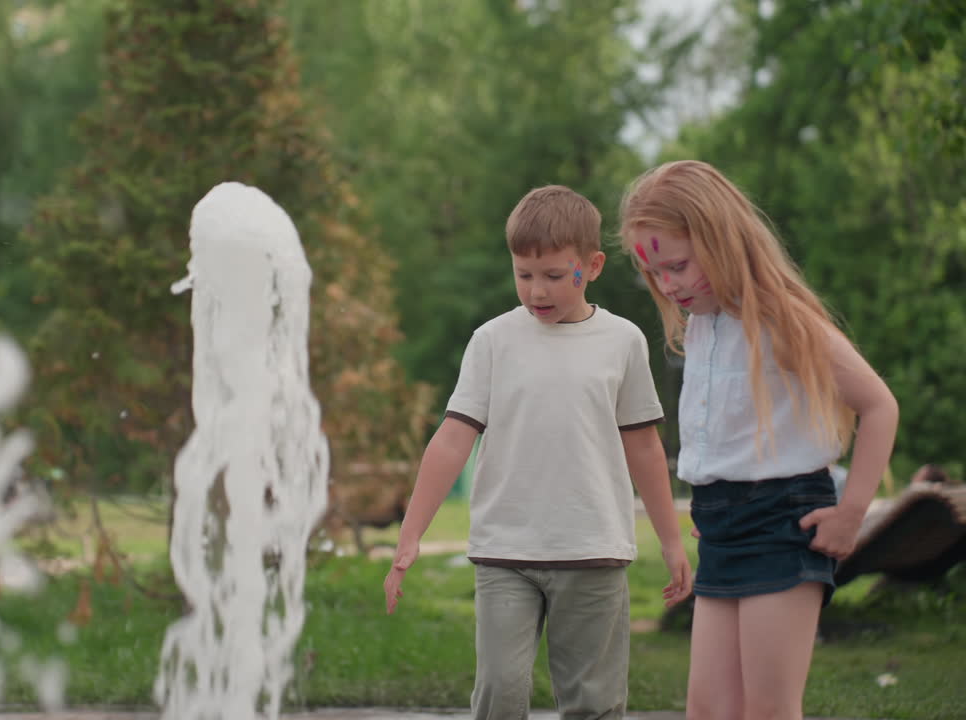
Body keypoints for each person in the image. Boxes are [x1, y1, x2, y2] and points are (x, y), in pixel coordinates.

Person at [383, 185, 692, 720]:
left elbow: (643, 445)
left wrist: (670, 542)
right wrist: (411, 534)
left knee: (594, 703)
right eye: (523, 274)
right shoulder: (492, 341)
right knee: (500, 694)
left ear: (591, 266)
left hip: (594, 550)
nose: (536, 291)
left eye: (553, 275)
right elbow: (454, 437)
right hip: (507, 552)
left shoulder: (623, 342)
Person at [619, 160, 899, 720]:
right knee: (709, 710)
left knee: (769, 709)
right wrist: (717, 490)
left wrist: (852, 513)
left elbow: (879, 405)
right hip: (723, 529)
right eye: (657, 275)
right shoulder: (700, 328)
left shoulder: (784, 321)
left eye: (677, 267)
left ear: (722, 242)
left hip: (784, 524)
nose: (669, 285)